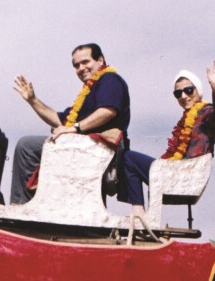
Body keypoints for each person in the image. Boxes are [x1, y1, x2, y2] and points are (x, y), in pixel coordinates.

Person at [10, 43, 131, 204]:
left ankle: (21, 203)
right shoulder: (89, 91)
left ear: (100, 60)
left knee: (27, 146)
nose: (81, 68)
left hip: (100, 151)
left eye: (85, 62)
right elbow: (60, 120)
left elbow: (107, 111)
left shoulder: (109, 79)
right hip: (86, 149)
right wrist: (33, 101)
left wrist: (75, 128)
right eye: (76, 65)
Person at [121, 59, 215, 215]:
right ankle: (139, 212)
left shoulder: (205, 112)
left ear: (198, 91)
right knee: (126, 158)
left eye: (189, 90)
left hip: (186, 174)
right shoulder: (184, 120)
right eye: (178, 93)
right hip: (176, 170)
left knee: (128, 158)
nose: (183, 96)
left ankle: (138, 212)